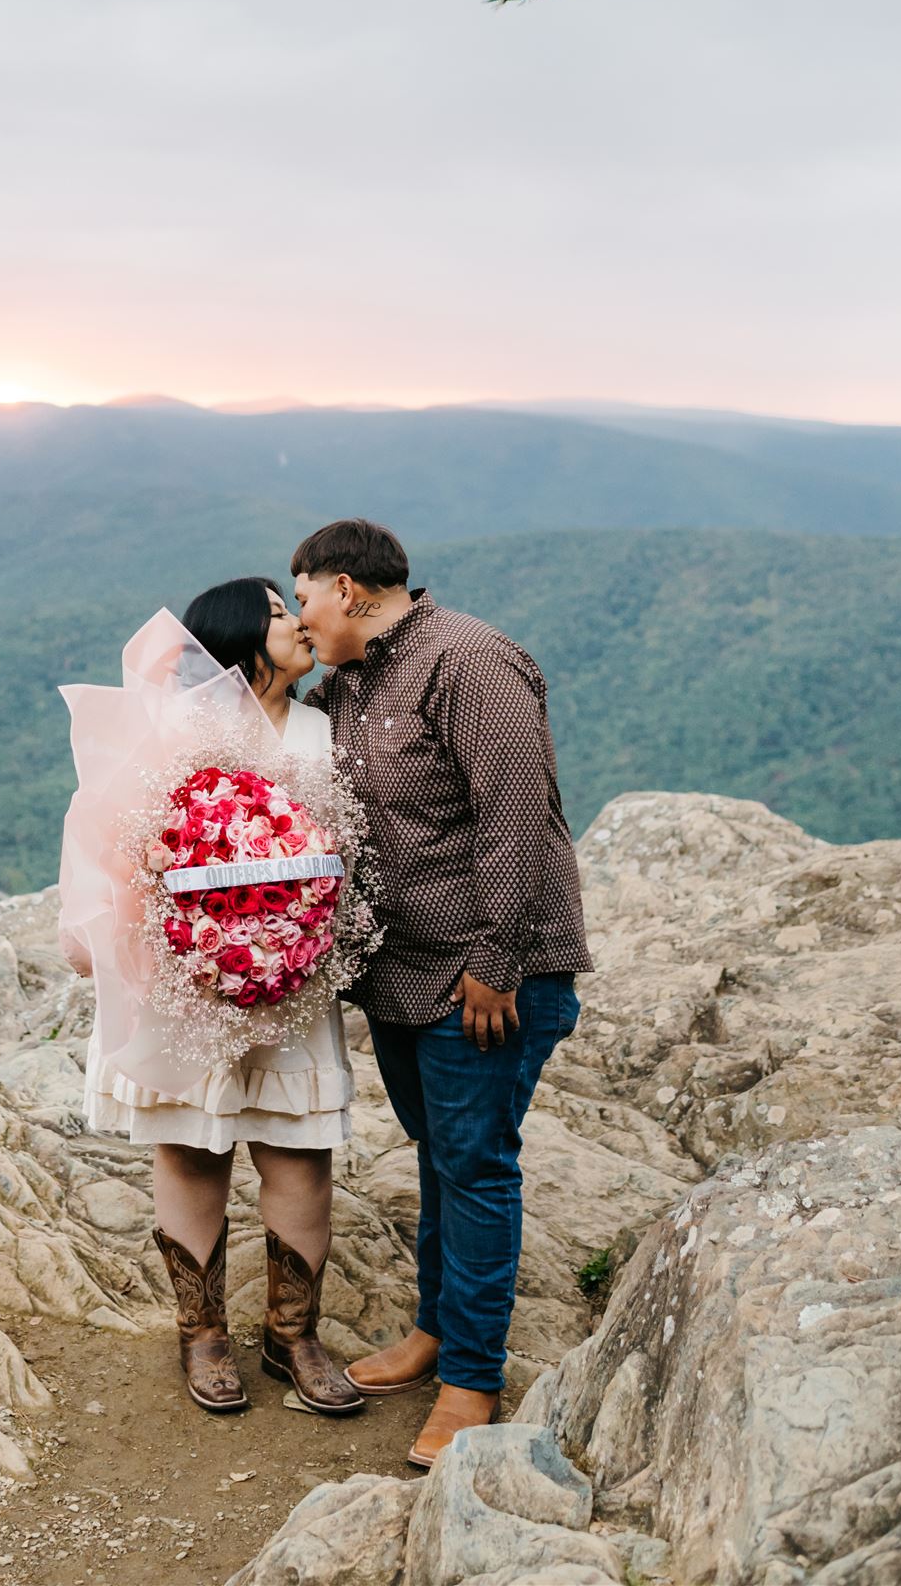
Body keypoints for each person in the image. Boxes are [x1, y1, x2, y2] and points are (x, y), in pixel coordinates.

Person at [291, 519, 591, 1469]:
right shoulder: (349, 682)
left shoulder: (469, 660)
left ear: (345, 588)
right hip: (400, 973)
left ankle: (471, 1376)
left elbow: (517, 817)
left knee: (475, 1164)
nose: (301, 619)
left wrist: (497, 960)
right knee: (438, 1158)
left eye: (302, 598)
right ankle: (432, 1332)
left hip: (485, 976)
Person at [59, 578, 363, 1420]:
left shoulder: (322, 729)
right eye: (276, 613)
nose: (298, 622)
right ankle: (202, 1332)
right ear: (236, 636)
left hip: (291, 977)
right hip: (187, 979)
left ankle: (292, 1334)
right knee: (193, 1146)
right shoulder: (177, 730)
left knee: (299, 1148)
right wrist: (181, 922)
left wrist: (294, 929)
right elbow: (111, 837)